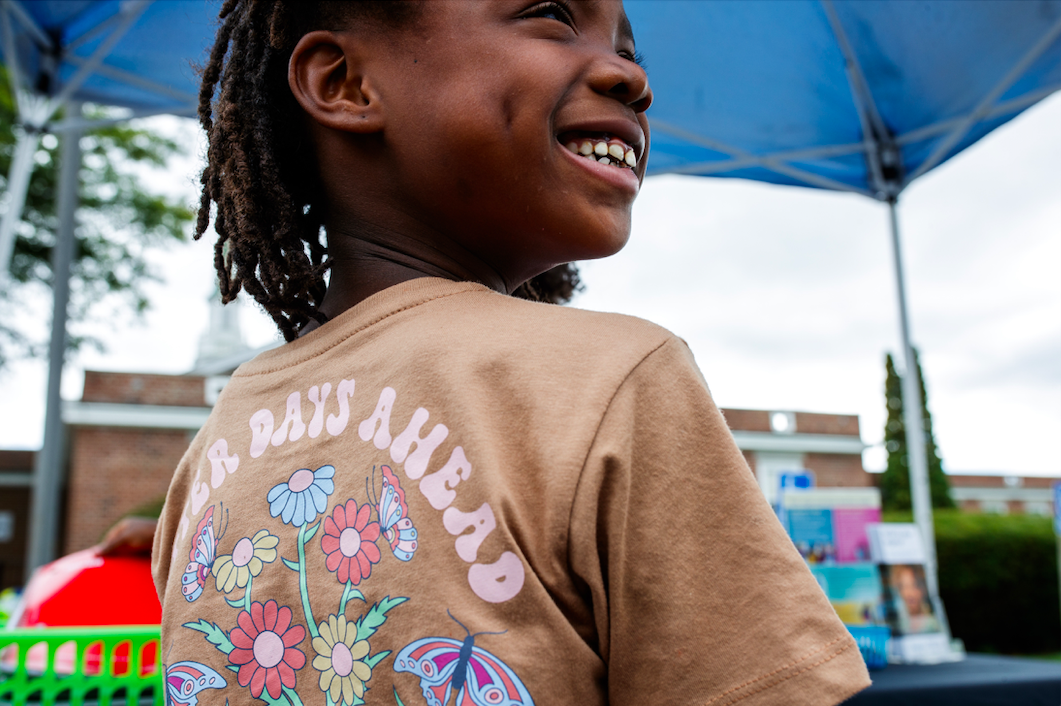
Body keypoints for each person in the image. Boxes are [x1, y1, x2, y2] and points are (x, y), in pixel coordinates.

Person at [152, 2, 871, 704]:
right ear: (344, 81)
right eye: (553, 15)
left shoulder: (228, 432)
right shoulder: (610, 380)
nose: (633, 80)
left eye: (626, 49)